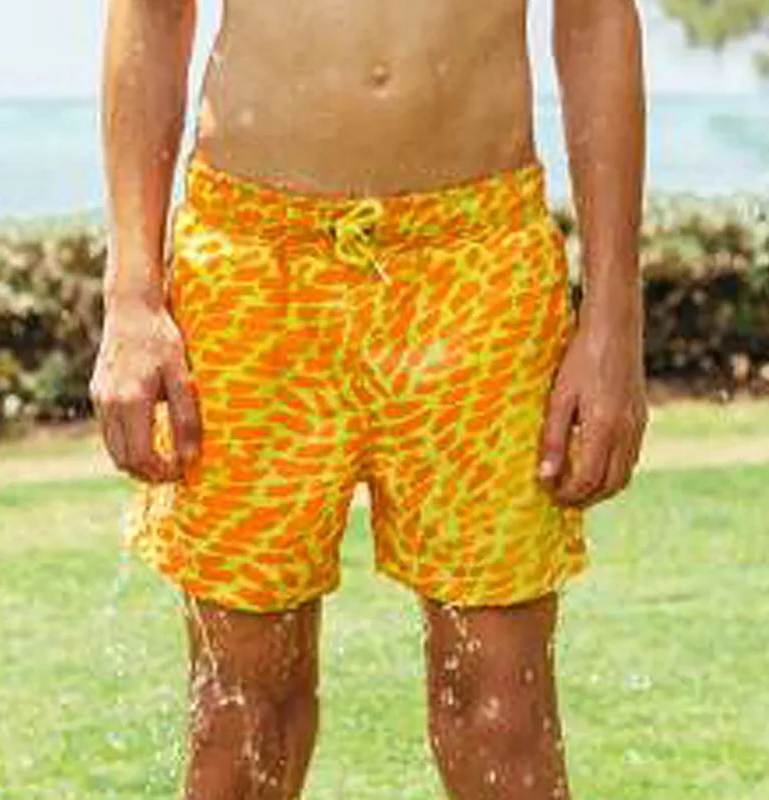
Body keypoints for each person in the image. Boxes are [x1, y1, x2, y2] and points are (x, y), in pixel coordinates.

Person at [89, 0, 647, 796]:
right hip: (255, 269)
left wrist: (613, 321)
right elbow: (152, 11)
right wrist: (132, 297)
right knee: (240, 721)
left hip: (477, 266)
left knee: (502, 716)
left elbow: (595, 18)